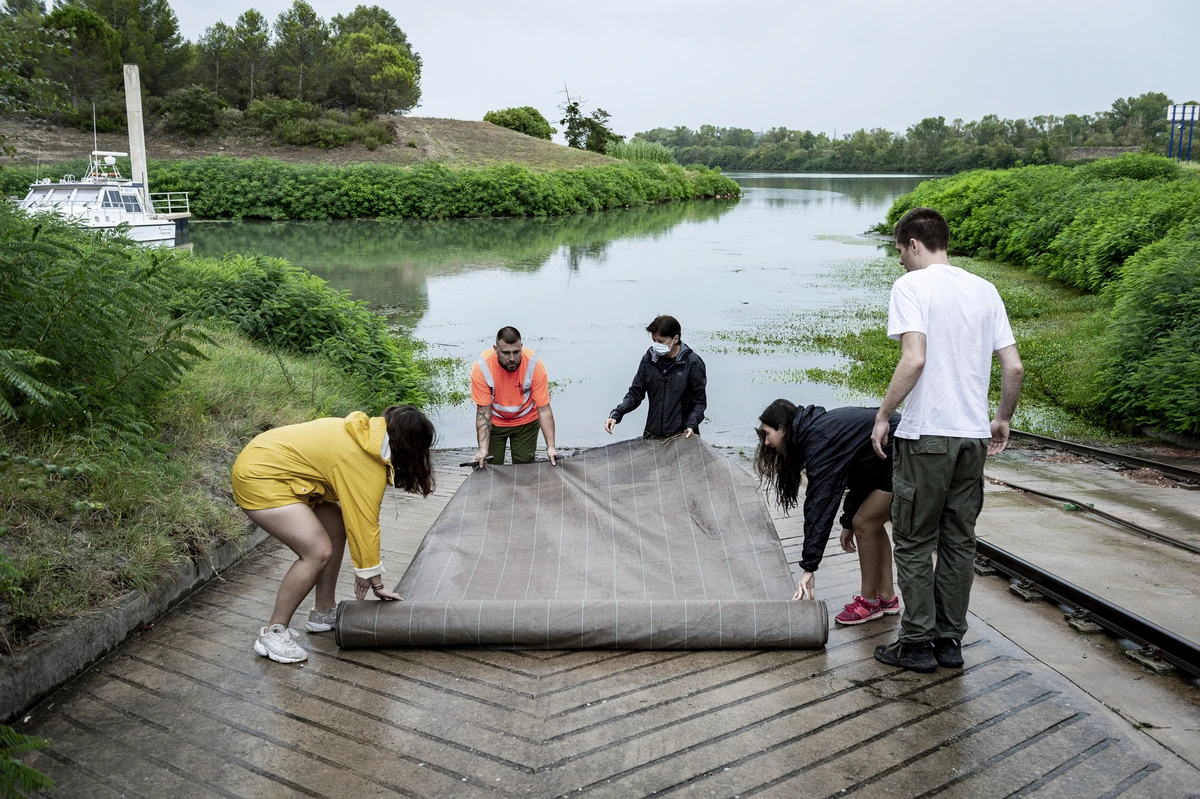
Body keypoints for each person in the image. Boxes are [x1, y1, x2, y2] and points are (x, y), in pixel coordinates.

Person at [870, 206, 1024, 673]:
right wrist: (1001, 418)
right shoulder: (985, 289)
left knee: (915, 540)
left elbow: (913, 359)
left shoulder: (910, 286)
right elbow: (1013, 367)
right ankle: (949, 643)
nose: (899, 260)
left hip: (926, 437)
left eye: (899, 250)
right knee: (959, 541)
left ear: (913, 244)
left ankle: (916, 643)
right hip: (972, 438)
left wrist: (883, 415)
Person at [231, 406, 435, 663]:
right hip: (261, 476)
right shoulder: (363, 460)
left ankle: (323, 612)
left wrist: (367, 571)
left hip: (276, 467)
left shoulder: (366, 436)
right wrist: (374, 580)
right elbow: (364, 522)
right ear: (410, 447)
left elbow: (353, 521)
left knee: (335, 526)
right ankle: (273, 632)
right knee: (316, 551)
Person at [755, 400, 901, 623]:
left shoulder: (820, 439)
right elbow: (860, 474)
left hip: (907, 456)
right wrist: (847, 522)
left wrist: (809, 567)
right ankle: (887, 597)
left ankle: (870, 602)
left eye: (767, 434)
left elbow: (821, 503)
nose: (766, 442)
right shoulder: (820, 430)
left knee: (865, 523)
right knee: (869, 522)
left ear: (783, 428)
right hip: (889, 461)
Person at [605, 315, 707, 439]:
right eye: (654, 340)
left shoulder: (693, 363)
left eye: (661, 341)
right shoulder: (648, 360)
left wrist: (691, 424)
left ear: (675, 338)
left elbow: (700, 402)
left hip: (683, 435)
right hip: (652, 433)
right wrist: (616, 414)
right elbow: (635, 393)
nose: (656, 344)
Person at [470, 326, 557, 467]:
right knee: (490, 466)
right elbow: (483, 413)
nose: (512, 358)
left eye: (516, 352)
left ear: (521, 347)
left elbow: (544, 410)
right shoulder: (482, 368)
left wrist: (551, 446)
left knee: (524, 469)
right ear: (495, 349)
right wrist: (483, 449)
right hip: (495, 424)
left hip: (526, 423)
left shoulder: (534, 365)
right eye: (506, 353)